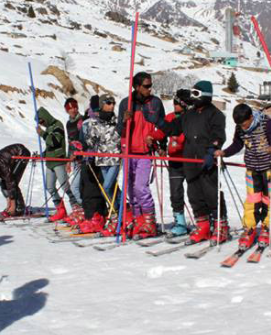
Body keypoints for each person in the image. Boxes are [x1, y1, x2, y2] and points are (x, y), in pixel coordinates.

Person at [151, 80, 228, 244]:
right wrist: (159, 122)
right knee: (194, 194)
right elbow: (173, 128)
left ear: (206, 95)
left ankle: (221, 226)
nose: (193, 97)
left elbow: (218, 135)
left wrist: (211, 151)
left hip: (207, 161)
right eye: (192, 93)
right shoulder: (189, 115)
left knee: (211, 194)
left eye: (196, 94)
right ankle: (203, 226)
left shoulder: (216, 115)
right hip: (190, 161)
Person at [216, 103, 271, 250]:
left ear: (251, 117)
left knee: (269, 198)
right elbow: (237, 144)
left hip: (269, 167)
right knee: (252, 199)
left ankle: (266, 227)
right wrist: (224, 153)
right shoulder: (240, 126)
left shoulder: (265, 122)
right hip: (252, 168)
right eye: (240, 125)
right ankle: (249, 227)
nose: (243, 128)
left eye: (245, 124)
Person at [117, 72, 166, 238]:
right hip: (128, 152)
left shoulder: (155, 103)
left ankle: (149, 219)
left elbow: (163, 126)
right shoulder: (126, 103)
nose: (150, 88)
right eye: (146, 86)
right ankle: (138, 219)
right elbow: (119, 131)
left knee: (140, 187)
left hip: (145, 151)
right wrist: (125, 121)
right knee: (131, 189)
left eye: (150, 85)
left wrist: (161, 145)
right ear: (137, 87)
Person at [78, 95, 122, 234]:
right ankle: (121, 210)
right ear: (102, 104)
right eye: (108, 103)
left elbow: (123, 134)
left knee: (106, 187)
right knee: (109, 189)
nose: (112, 105)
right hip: (102, 160)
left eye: (113, 103)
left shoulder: (116, 121)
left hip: (115, 158)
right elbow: (91, 142)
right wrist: (85, 139)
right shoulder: (94, 123)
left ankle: (116, 214)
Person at [157, 89, 192, 236]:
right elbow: (162, 132)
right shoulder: (170, 117)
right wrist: (161, 145)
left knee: (195, 192)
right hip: (175, 160)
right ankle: (180, 222)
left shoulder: (192, 118)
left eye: (177, 104)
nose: (174, 106)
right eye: (173, 103)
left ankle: (206, 221)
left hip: (190, 159)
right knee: (175, 192)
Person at [36, 107, 72, 222]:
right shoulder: (48, 128)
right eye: (39, 123)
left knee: (65, 186)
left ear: (45, 117)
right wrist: (41, 155)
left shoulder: (58, 125)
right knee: (50, 187)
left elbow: (54, 141)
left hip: (59, 161)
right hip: (50, 162)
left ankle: (77, 208)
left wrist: (42, 133)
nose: (41, 124)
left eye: (41, 121)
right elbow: (49, 147)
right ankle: (60, 210)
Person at [0, 143, 31, 220]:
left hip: (22, 153)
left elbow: (11, 182)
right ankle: (13, 206)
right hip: (13, 157)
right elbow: (3, 184)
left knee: (13, 181)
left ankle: (19, 208)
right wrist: (8, 202)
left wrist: (12, 204)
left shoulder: (1, 165)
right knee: (5, 183)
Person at [64, 98, 86, 225]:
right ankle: (81, 211)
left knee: (75, 187)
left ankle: (84, 210)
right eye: (70, 108)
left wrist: (77, 153)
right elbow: (70, 142)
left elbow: (83, 140)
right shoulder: (68, 123)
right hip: (74, 159)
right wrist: (68, 160)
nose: (73, 110)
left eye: (74, 107)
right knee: (77, 187)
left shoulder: (81, 120)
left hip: (82, 159)